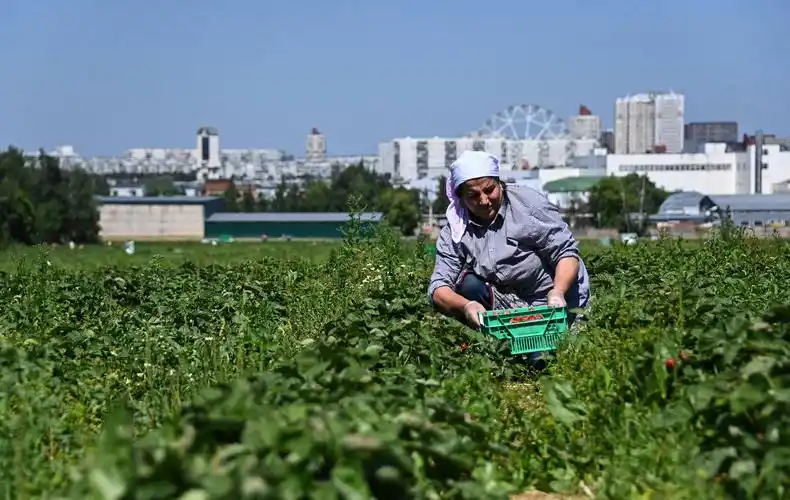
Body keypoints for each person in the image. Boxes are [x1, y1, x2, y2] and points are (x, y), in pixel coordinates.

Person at [427, 150, 590, 360]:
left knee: (543, 359)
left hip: (553, 298)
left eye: (489, 190)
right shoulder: (455, 230)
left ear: (499, 183)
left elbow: (566, 253)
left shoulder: (528, 205)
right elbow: (438, 288)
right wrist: (466, 306)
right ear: (461, 198)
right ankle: (493, 343)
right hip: (507, 300)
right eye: (473, 196)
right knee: (467, 286)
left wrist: (558, 291)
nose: (484, 200)